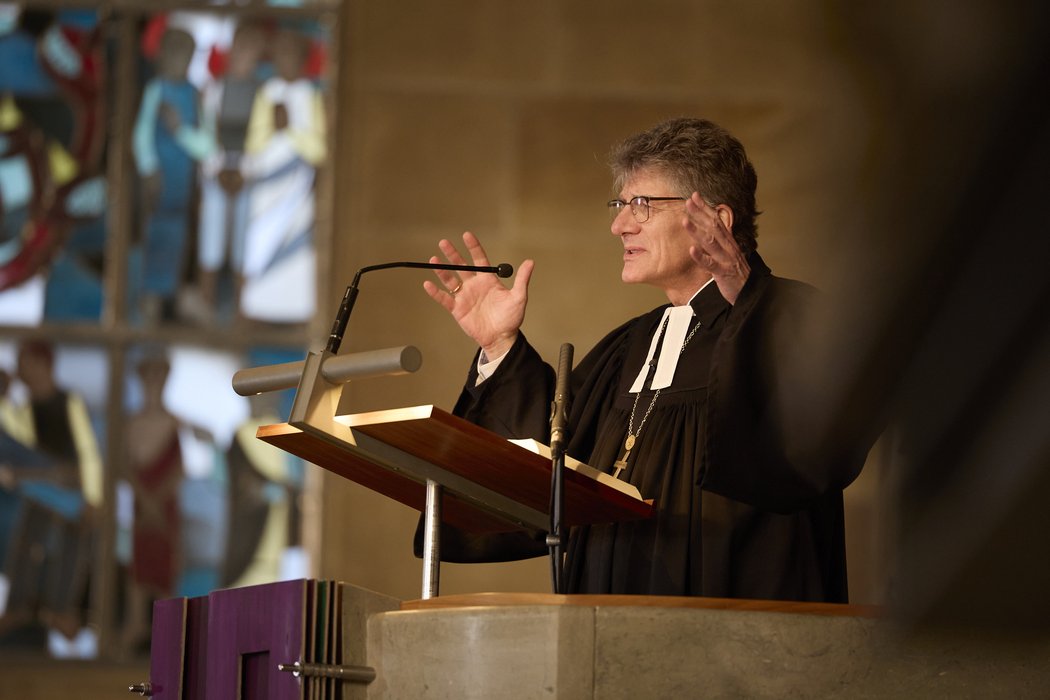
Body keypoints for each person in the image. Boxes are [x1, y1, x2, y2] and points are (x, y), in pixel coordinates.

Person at [420, 117, 870, 602]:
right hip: (607, 625)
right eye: (620, 205)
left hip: (737, 626)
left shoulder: (796, 318)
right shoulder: (631, 346)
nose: (619, 225)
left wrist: (747, 298)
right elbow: (551, 475)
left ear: (717, 220)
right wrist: (500, 349)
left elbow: (814, 453)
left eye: (642, 205)